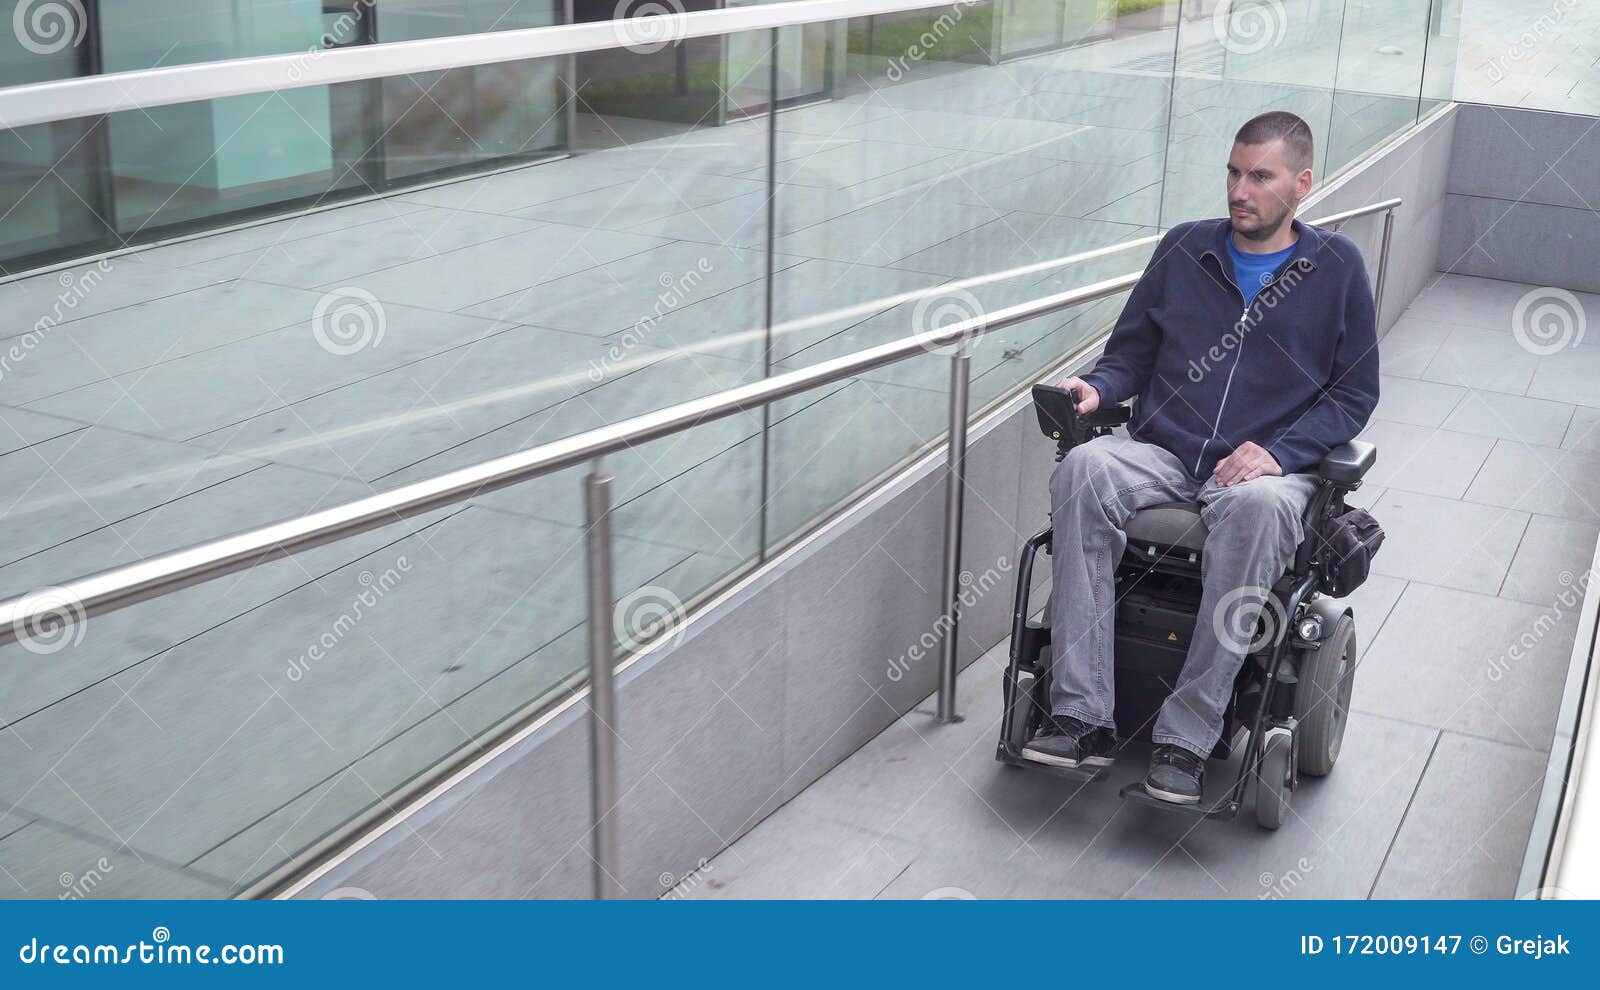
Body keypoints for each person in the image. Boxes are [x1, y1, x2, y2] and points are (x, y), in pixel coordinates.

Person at [1021, 111, 1379, 804]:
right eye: (1233, 172)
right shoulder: (1185, 248)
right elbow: (1130, 355)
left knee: (1257, 510)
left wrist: (1279, 454)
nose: (1239, 190)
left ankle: (1186, 740)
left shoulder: (1336, 269)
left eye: (1260, 177)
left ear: (1301, 184)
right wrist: (1095, 389)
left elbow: (1354, 394)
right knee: (1084, 470)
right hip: (1165, 450)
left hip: (1263, 472)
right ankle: (1080, 714)